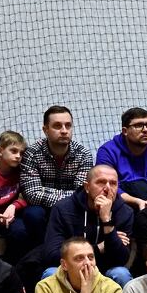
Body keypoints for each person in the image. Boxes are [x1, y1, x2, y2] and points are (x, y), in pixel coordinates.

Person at [41, 164, 135, 286]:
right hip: (71, 269)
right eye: (101, 182)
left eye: (113, 183)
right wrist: (100, 247)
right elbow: (52, 255)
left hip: (105, 270)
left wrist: (107, 220)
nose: (107, 188)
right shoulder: (63, 209)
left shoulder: (125, 212)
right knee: (51, 273)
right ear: (87, 187)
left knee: (121, 274)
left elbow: (121, 259)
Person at [19, 105, 94, 250]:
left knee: (83, 212)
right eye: (57, 126)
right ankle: (44, 253)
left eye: (68, 125)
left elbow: (82, 193)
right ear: (45, 130)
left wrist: (48, 193)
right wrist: (69, 197)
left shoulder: (83, 154)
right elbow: (32, 194)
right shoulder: (32, 153)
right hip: (42, 209)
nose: (64, 130)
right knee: (32, 214)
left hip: (72, 209)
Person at [98, 107, 147, 209]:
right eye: (139, 125)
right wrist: (137, 202)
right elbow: (107, 186)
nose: (145, 130)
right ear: (125, 131)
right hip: (121, 206)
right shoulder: (107, 151)